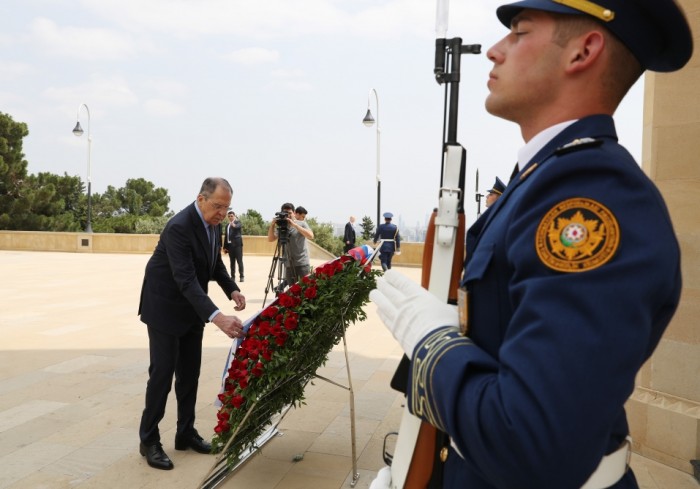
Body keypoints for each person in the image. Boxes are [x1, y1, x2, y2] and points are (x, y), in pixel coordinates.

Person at [370, 1, 691, 488]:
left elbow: (529, 442)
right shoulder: (543, 180)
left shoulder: (589, 195)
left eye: (519, 32)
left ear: (583, 50)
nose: (495, 51)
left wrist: (433, 345)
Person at [138, 177, 247, 471]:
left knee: (190, 374)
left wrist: (231, 289)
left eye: (226, 208)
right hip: (164, 308)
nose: (222, 213)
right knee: (162, 375)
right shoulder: (179, 227)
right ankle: (148, 439)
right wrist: (218, 317)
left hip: (191, 309)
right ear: (201, 199)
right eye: (217, 206)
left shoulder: (212, 225)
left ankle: (185, 432)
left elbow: (215, 263)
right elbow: (185, 279)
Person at [267, 203, 314, 290]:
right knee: (293, 290)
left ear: (294, 213)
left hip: (302, 263)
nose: (288, 215)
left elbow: (311, 236)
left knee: (307, 288)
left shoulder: (301, 223)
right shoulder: (281, 226)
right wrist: (272, 224)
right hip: (288, 263)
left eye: (289, 213)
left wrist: (295, 225)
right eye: (285, 213)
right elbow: (270, 239)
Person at [223, 210, 244, 282]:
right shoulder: (227, 226)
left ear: (234, 216)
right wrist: (225, 247)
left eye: (231, 216)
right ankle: (232, 277)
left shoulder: (238, 222)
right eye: (229, 216)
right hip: (230, 246)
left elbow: (237, 227)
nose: (230, 217)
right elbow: (226, 237)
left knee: (239, 261)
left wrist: (233, 225)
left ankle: (241, 276)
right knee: (232, 262)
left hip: (237, 246)